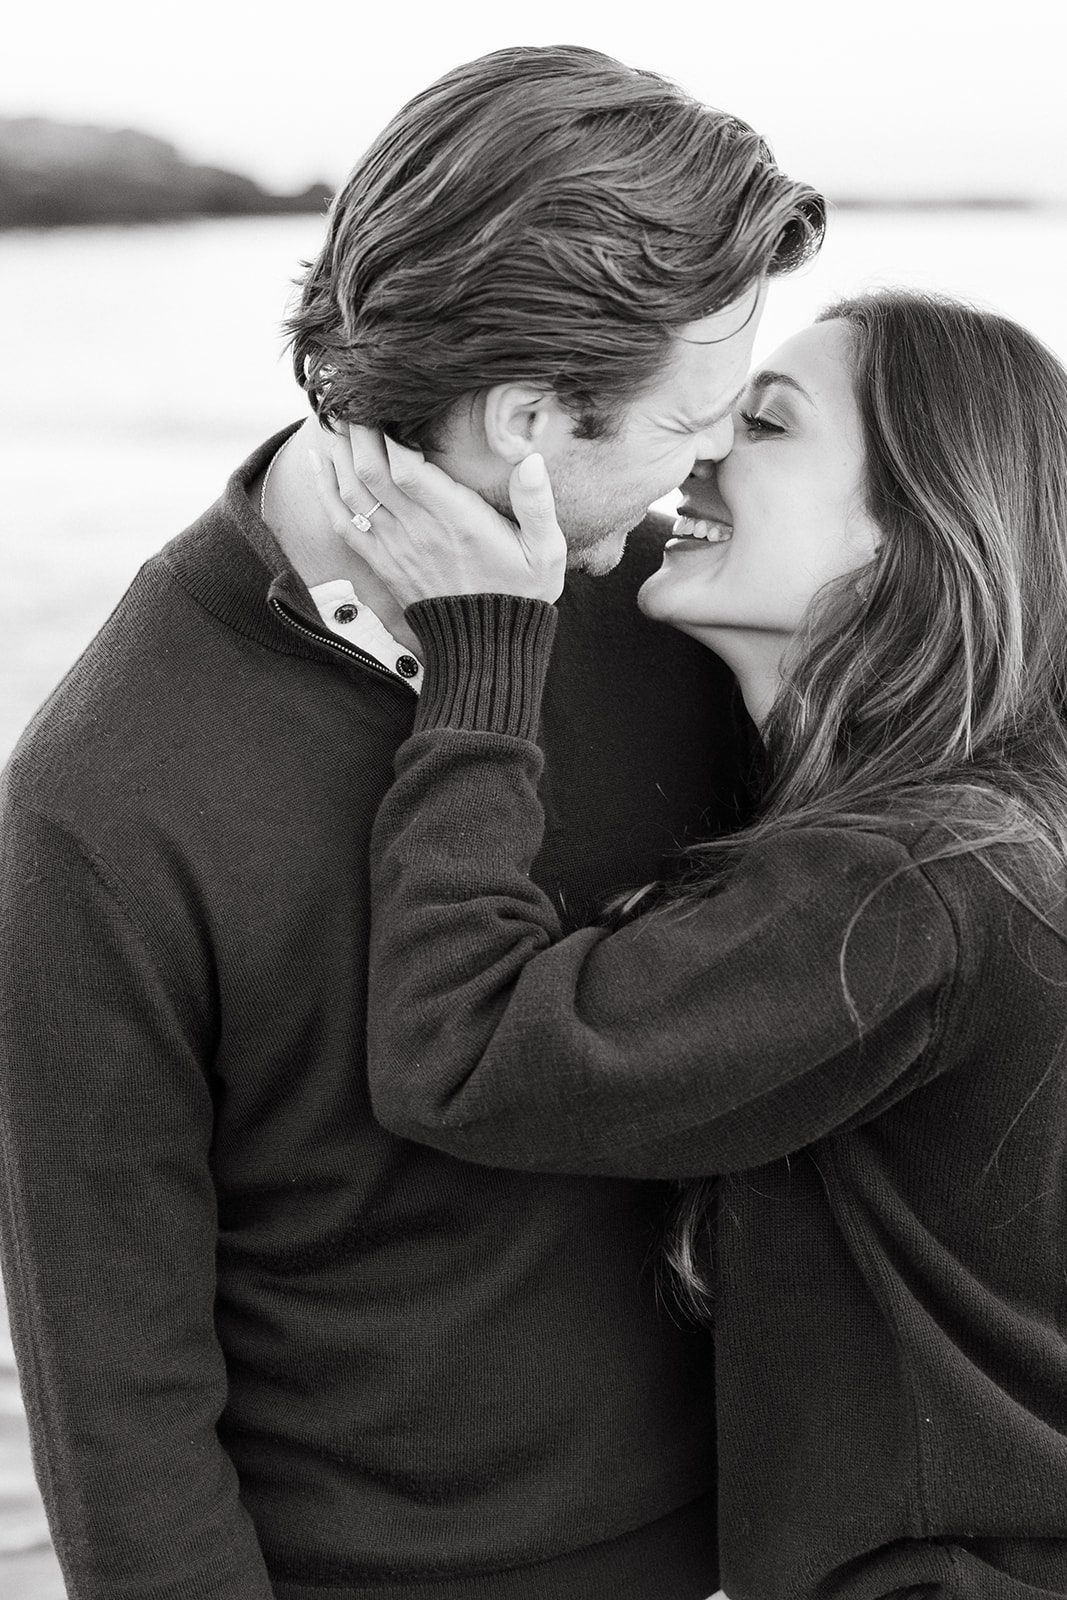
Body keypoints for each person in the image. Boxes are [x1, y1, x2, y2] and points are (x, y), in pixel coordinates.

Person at [0, 44, 824, 1600]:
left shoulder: (688, 626)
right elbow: (117, 1414)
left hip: (748, 1544)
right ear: (529, 421)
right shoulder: (99, 800)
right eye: (694, 418)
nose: (715, 461)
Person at [311, 290, 1067, 1600]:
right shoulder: (995, 826)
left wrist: (484, 648)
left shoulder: (907, 882)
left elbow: (464, 1058)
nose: (701, 450)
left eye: (764, 425)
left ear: (917, 531)